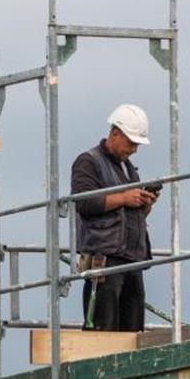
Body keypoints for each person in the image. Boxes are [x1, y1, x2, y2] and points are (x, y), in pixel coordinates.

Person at [71, 103, 160, 331]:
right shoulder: (88, 162)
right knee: (104, 330)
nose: (134, 149)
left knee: (133, 332)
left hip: (131, 258)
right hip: (105, 259)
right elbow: (84, 202)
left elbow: (128, 213)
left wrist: (143, 205)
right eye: (131, 143)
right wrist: (124, 198)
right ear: (115, 133)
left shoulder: (129, 169)